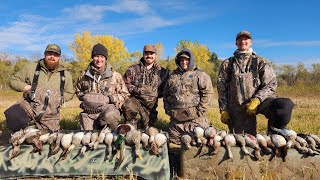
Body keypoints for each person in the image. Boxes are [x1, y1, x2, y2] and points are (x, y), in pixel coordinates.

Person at [217, 31, 294, 135]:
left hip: (260, 102)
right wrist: (224, 110)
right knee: (242, 139)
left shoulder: (261, 62)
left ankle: (274, 134)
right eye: (240, 39)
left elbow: (271, 84)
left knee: (284, 105)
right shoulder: (228, 64)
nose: (243, 41)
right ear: (236, 43)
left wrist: (256, 100)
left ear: (251, 42)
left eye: (246, 39)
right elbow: (221, 89)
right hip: (236, 106)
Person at [5, 44, 75, 132]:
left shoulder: (66, 75)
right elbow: (13, 81)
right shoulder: (30, 68)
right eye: (49, 53)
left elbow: (70, 93)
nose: (52, 57)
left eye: (55, 55)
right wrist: (26, 87)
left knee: (49, 137)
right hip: (29, 106)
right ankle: (21, 134)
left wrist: (59, 99)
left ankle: (33, 131)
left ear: (59, 57)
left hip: (50, 113)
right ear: (45, 54)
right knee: (13, 116)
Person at [163, 48, 214, 145]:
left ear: (191, 61)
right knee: (173, 145)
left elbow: (208, 93)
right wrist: (168, 110)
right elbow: (166, 94)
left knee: (199, 143)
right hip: (176, 121)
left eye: (186, 60)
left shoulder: (200, 75)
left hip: (196, 120)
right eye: (181, 60)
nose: (184, 62)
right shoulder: (173, 76)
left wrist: (198, 111)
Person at [76, 43, 129, 131]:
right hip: (90, 112)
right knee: (87, 136)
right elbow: (78, 92)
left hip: (108, 110)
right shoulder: (84, 75)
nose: (99, 59)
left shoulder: (115, 76)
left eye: (102, 56)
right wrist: (87, 99)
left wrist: (110, 99)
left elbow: (125, 95)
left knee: (111, 116)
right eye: (96, 56)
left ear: (105, 58)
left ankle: (110, 134)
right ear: (92, 57)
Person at [122, 44, 169, 129]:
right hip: (135, 101)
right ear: (143, 54)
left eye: (151, 53)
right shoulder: (133, 69)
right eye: (147, 53)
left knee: (148, 129)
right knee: (128, 106)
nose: (149, 56)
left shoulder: (163, 72)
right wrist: (139, 90)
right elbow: (125, 84)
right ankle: (130, 126)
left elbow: (166, 89)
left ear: (155, 55)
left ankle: (143, 125)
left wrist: (153, 93)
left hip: (151, 105)